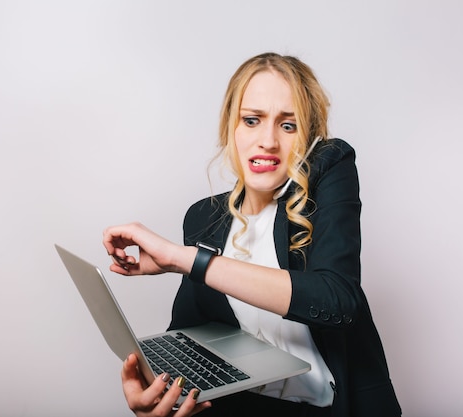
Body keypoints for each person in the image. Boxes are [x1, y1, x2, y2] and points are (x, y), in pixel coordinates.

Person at [103, 52, 401, 417]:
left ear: (308, 137)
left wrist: (183, 259)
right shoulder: (203, 217)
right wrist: (156, 392)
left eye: (288, 126)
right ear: (231, 126)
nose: (268, 141)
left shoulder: (330, 172)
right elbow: (190, 336)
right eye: (252, 120)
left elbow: (338, 300)